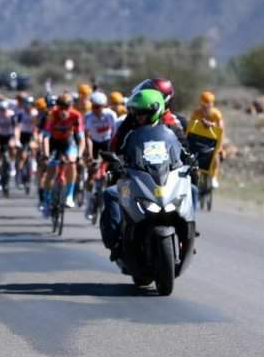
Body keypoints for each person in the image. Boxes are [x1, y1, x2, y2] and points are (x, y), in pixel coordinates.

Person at [100, 89, 182, 260]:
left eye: (142, 113)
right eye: (136, 113)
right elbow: (116, 149)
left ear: (155, 111)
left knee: (192, 190)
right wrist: (116, 161)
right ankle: (115, 241)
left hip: (165, 177)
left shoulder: (171, 127)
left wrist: (190, 159)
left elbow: (183, 147)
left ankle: (186, 231)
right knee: (111, 194)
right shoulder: (129, 129)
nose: (138, 117)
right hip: (135, 178)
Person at [41, 93, 84, 210]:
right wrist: (45, 154)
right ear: (57, 107)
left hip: (68, 142)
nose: (64, 111)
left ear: (71, 107)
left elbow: (81, 139)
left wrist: (79, 155)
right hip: (53, 143)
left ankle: (69, 196)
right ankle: (46, 199)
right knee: (51, 170)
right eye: (61, 107)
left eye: (67, 107)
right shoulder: (52, 115)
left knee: (72, 163)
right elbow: (45, 138)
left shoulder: (76, 115)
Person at [83, 91, 117, 219]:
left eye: (98, 107)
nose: (95, 109)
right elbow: (88, 138)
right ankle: (89, 203)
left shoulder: (111, 115)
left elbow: (115, 134)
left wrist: (113, 151)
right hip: (95, 143)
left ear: (104, 106)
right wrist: (90, 154)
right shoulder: (88, 117)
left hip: (108, 143)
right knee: (92, 172)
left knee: (112, 171)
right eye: (93, 106)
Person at [189, 90, 224, 188]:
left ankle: (214, 178)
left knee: (216, 156)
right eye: (204, 104)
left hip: (213, 141)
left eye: (208, 105)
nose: (206, 107)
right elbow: (191, 126)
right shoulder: (196, 113)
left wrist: (212, 125)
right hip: (199, 141)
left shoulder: (216, 114)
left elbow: (221, 128)